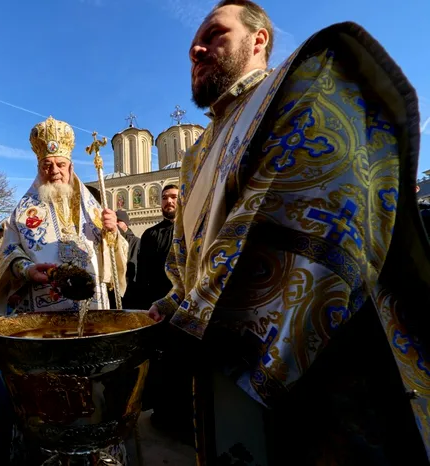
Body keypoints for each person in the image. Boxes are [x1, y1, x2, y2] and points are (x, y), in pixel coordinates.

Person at [148, 1, 430, 464]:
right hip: (217, 373)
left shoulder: (304, 85)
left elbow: (298, 208)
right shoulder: (197, 155)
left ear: (258, 39)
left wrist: (194, 320)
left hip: (320, 371)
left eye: (215, 34)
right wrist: (169, 306)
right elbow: (188, 257)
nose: (196, 50)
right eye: (193, 44)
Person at [0, 116, 128, 316]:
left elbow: (113, 256)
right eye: (47, 165)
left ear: (71, 168)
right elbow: (6, 254)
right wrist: (27, 269)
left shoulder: (94, 209)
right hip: (44, 306)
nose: (54, 171)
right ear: (39, 169)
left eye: (61, 164)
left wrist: (112, 232)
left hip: (92, 305)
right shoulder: (21, 214)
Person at [135, 184, 192, 441]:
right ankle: (163, 414)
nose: (169, 201)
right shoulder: (150, 234)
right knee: (162, 364)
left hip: (186, 308)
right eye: (165, 197)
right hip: (157, 309)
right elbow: (142, 275)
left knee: (183, 364)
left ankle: (186, 418)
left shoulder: (190, 229)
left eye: (174, 197)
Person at [109, 210, 140, 308]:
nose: (116, 223)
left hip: (129, 291)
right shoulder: (109, 239)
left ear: (126, 224)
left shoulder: (135, 242)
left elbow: (133, 265)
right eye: (114, 221)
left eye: (119, 221)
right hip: (112, 290)